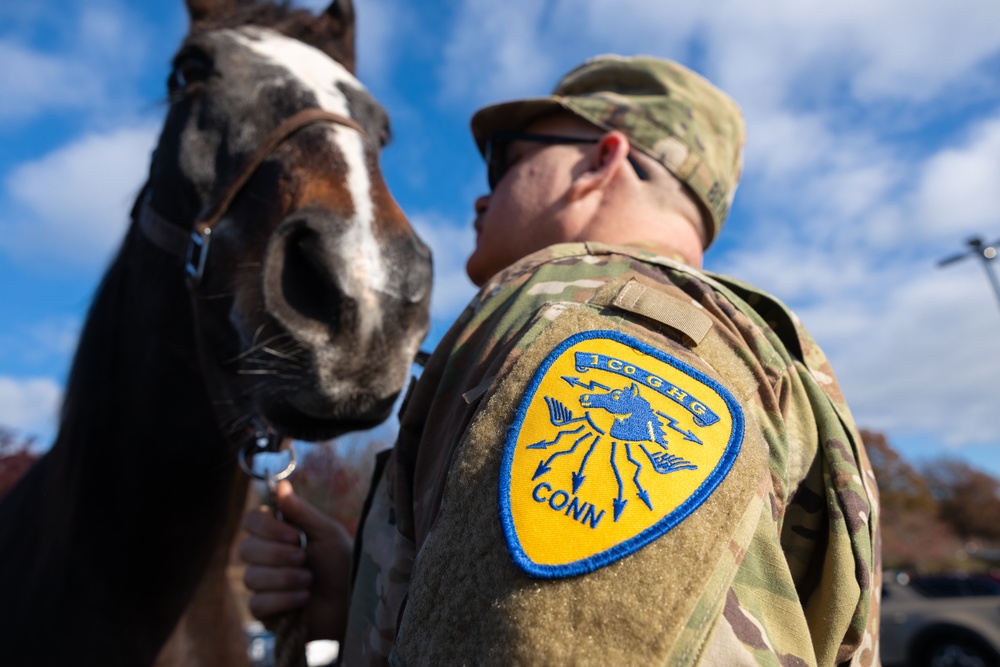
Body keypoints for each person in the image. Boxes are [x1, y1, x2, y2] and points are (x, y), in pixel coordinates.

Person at [240, 54, 880, 666]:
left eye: (506, 159)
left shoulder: (584, 318)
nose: (482, 198)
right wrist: (362, 595)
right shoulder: (741, 352)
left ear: (602, 160)